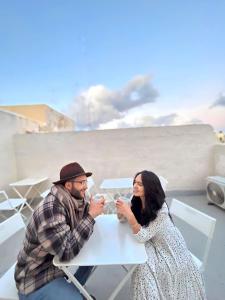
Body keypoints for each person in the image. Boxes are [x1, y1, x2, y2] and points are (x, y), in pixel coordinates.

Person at [15, 162, 105, 300]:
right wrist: (91, 215)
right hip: (36, 277)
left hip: (56, 266)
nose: (86, 186)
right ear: (68, 185)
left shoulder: (73, 198)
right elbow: (66, 252)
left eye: (85, 181)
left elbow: (84, 215)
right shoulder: (51, 209)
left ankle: (75, 290)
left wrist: (93, 208)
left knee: (93, 259)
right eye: (81, 182)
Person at [116, 170, 206, 300]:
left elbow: (142, 236)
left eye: (140, 184)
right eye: (134, 182)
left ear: (150, 187)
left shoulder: (161, 210)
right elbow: (122, 220)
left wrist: (129, 214)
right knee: (141, 265)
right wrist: (121, 211)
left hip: (171, 252)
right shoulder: (136, 200)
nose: (135, 186)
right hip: (153, 244)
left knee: (142, 268)